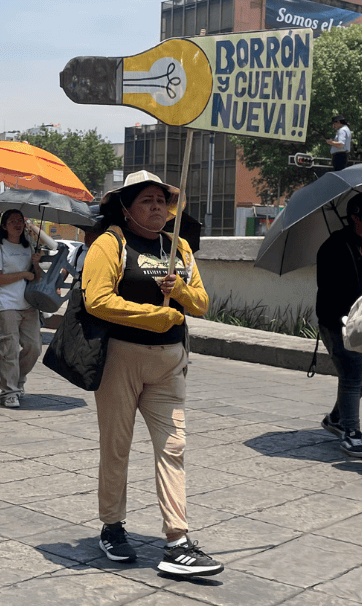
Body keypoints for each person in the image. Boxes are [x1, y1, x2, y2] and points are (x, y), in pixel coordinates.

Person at [83, 170, 222, 578]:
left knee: (174, 446)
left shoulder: (177, 246)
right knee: (117, 446)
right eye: (146, 200)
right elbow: (97, 299)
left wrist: (178, 291)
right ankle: (112, 526)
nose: (157, 206)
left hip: (170, 363)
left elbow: (201, 304)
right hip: (120, 360)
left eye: (162, 200)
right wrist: (154, 316)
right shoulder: (111, 243)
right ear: (126, 208)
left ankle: (177, 541)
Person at [315, 192, 362, 457]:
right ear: (356, 217)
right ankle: (351, 432)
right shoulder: (334, 246)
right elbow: (329, 289)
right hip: (340, 322)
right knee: (352, 374)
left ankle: (336, 417)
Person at [0, 209, 44, 408]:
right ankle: (9, 391)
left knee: (34, 348)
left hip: (28, 304)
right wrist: (23, 274)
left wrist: (36, 265)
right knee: (9, 350)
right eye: (12, 221)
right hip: (6, 304)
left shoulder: (28, 248)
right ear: (4, 226)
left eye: (20, 221)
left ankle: (18, 380)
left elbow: (37, 278)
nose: (17, 224)